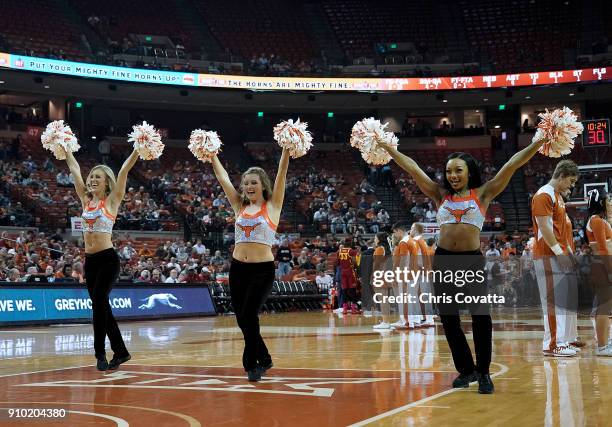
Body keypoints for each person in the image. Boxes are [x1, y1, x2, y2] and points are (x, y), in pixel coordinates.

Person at [379, 130, 548, 394]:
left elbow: (512, 164)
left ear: (469, 171)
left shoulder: (483, 193)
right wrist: (386, 147)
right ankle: (466, 370)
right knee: (449, 319)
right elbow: (412, 167)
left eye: (458, 170)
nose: (452, 176)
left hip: (471, 262)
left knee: (481, 317)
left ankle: (483, 372)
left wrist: (537, 142)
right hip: (444, 261)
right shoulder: (438, 195)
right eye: (448, 172)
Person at [210, 146, 290, 382]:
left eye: (253, 182)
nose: (248, 187)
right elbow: (222, 178)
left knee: (249, 314)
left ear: (263, 185)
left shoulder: (273, 205)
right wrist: (212, 154)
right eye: (245, 183)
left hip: (262, 271)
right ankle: (264, 357)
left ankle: (251, 363)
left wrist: (285, 151)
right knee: (242, 317)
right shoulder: (239, 206)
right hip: (238, 269)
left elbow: (281, 174)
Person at [62, 144, 140, 371]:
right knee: (102, 306)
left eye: (98, 177)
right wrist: (66, 148)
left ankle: (99, 353)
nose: (92, 179)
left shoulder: (112, 200)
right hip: (91, 262)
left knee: (98, 303)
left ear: (107, 181)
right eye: (91, 176)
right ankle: (121, 352)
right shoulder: (85, 201)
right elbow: (74, 168)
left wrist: (136, 149)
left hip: (108, 260)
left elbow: (124, 170)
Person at [531, 160, 580, 357]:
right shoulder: (544, 194)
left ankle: (564, 340)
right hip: (547, 255)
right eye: (571, 181)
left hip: (557, 253)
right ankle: (553, 344)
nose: (572, 185)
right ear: (561, 176)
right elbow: (544, 228)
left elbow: (561, 231)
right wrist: (559, 253)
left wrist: (567, 252)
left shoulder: (557, 196)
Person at [584, 189, 612, 356]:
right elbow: (602, 248)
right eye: (607, 199)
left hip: (604, 265)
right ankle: (602, 346)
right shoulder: (595, 220)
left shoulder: (601, 220)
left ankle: (605, 341)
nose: (609, 202)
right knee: (604, 307)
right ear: (600, 202)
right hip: (602, 266)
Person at [371, 232, 394, 330]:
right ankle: (386, 320)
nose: (374, 240)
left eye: (375, 238)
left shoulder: (379, 249)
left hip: (380, 275)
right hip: (387, 275)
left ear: (379, 239)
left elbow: (376, 264)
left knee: (383, 299)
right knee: (385, 299)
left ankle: (386, 322)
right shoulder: (388, 249)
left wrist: (373, 276)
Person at [336, 241, 360, 314]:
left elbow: (337, 263)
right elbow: (357, 258)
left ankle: (345, 308)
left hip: (342, 272)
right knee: (352, 290)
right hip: (350, 272)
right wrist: (358, 250)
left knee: (344, 290)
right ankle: (353, 308)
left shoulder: (339, 251)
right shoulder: (350, 250)